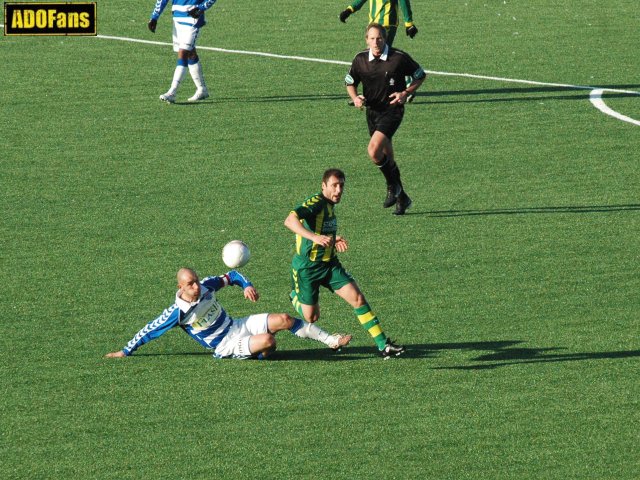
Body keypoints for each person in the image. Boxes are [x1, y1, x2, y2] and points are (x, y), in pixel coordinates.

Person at [284, 168, 406, 359]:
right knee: (311, 317)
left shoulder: (330, 206)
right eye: (334, 185)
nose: (339, 190)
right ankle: (294, 295)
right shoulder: (315, 203)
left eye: (341, 185)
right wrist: (314, 237)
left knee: (357, 298)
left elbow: (322, 228)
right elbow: (290, 221)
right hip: (307, 268)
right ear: (323, 186)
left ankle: (384, 345)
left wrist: (333, 238)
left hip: (330, 264)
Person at [105, 268, 351, 360]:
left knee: (284, 319)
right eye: (190, 284)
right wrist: (125, 351)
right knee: (269, 341)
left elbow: (231, 275)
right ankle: (261, 353)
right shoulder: (177, 313)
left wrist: (246, 285)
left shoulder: (205, 286)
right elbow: (150, 330)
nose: (196, 286)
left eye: (195, 281)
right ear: (180, 287)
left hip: (237, 325)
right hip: (226, 344)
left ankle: (331, 340)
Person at [345, 23, 426, 215]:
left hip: (392, 111)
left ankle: (392, 187)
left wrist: (405, 92)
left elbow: (420, 75)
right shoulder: (360, 59)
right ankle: (402, 197)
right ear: (366, 40)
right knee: (387, 156)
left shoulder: (398, 58)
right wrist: (355, 98)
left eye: (379, 38)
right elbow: (350, 82)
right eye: (372, 38)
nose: (376, 42)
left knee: (373, 151)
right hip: (372, 113)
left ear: (385, 38)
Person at [147, 0, 217, 103]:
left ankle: (172, 92)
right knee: (190, 53)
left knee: (183, 53)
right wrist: (154, 16)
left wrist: (201, 8)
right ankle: (202, 89)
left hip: (193, 19)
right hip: (177, 18)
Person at [339, 0, 418, 48]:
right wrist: (349, 10)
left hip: (387, 23)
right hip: (373, 24)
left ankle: (405, 71)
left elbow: (404, 2)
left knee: (379, 53)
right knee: (375, 54)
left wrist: (409, 23)